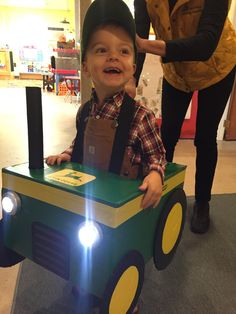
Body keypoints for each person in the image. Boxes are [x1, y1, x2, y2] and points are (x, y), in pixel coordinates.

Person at [46, 0, 166, 211]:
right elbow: (81, 142)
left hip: (123, 206)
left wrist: (156, 174)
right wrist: (67, 154)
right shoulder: (84, 111)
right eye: (102, 50)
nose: (113, 57)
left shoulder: (141, 117)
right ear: (85, 67)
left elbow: (156, 156)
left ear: (133, 68)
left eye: (124, 52)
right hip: (89, 200)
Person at [133, 0, 236, 234]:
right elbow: (138, 36)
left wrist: (149, 46)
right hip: (177, 72)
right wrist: (131, 80)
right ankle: (162, 193)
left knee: (205, 138)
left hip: (217, 66)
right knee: (166, 136)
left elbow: (206, 44)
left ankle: (202, 203)